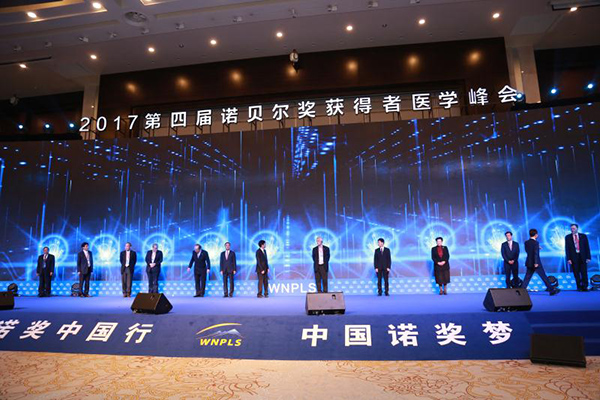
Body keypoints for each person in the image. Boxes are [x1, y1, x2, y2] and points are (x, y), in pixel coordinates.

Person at [523, 229, 560, 296]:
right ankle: (551, 290)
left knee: (527, 278)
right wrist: (536, 262)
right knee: (543, 276)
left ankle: (521, 292)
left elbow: (528, 251)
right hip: (536, 263)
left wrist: (537, 248)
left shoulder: (526, 242)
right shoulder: (536, 243)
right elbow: (536, 253)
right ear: (536, 235)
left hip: (529, 262)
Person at [565, 224, 592, 291]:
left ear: (577, 228)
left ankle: (585, 286)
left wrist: (588, 257)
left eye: (573, 228)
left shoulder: (583, 236)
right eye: (571, 228)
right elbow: (567, 249)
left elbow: (587, 247)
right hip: (574, 257)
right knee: (576, 272)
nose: (572, 230)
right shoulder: (567, 237)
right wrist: (568, 259)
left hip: (583, 256)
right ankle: (579, 287)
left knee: (584, 272)